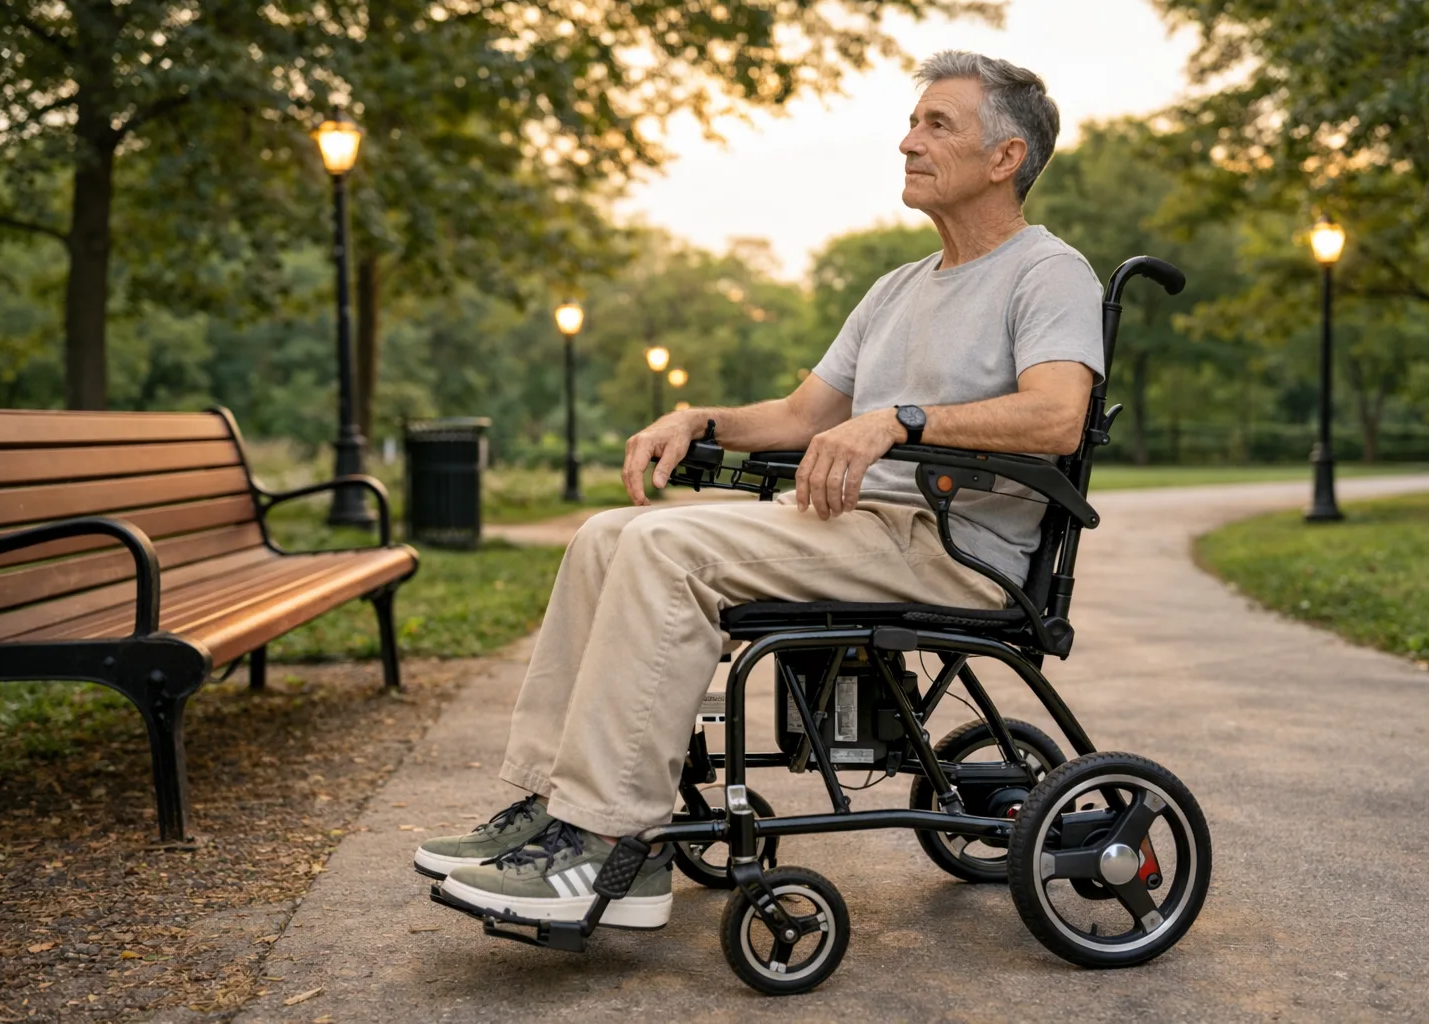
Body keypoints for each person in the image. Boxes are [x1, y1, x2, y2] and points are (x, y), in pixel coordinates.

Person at [419, 50, 1105, 930]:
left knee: (666, 549)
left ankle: (612, 845)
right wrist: (698, 418)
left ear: (1006, 157)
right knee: (604, 536)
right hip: (859, 528)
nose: (908, 142)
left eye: (938, 125)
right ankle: (550, 807)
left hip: (952, 547)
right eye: (912, 123)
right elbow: (799, 415)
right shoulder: (897, 287)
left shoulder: (1048, 272)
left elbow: (1056, 416)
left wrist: (898, 421)